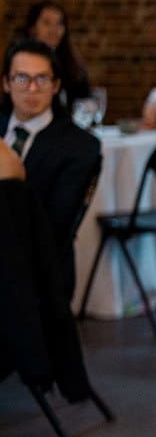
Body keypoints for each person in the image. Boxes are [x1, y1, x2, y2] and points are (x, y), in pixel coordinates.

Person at [3, 39, 103, 297]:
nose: (32, 88)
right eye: (22, 78)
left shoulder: (80, 146)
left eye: (42, 79)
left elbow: (55, 225)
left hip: (38, 273)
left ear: (56, 85)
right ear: (6, 83)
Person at [14, 0, 92, 112]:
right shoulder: (19, 60)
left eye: (59, 24)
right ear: (32, 28)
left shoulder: (71, 62)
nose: (54, 30)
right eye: (47, 23)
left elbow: (84, 99)